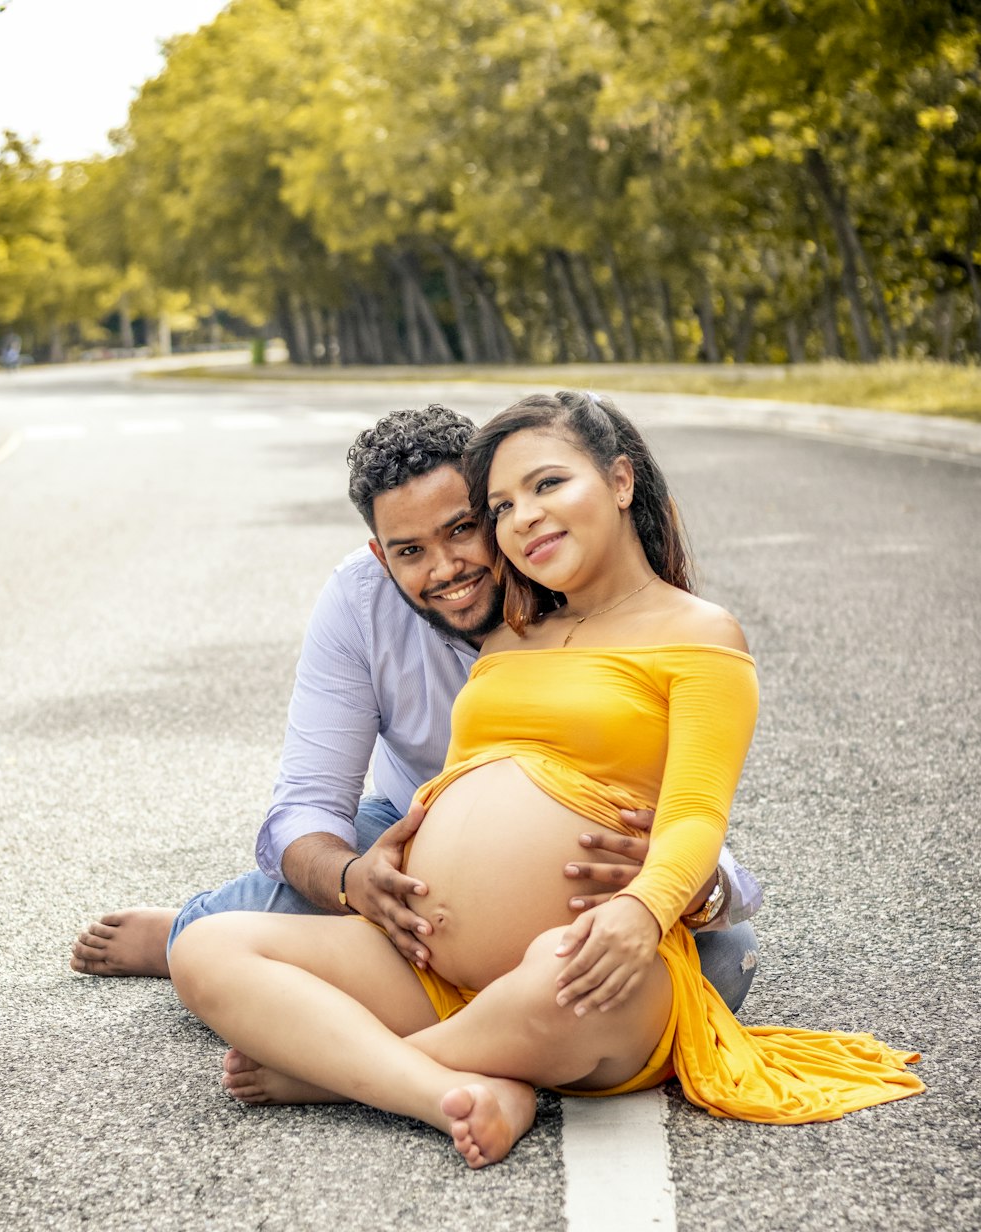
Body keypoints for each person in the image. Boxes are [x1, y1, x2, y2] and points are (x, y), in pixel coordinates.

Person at [168, 391, 923, 1168]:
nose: (521, 517)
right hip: (436, 960)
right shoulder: (510, 636)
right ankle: (452, 1087)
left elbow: (695, 813)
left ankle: (341, 1074)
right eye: (502, 505)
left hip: (586, 955)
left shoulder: (699, 632)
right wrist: (391, 862)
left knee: (572, 979)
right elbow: (458, 784)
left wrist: (642, 909)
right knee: (207, 949)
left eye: (545, 486)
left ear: (621, 482)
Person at [71, 406, 761, 1009]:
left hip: (596, 868)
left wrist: (695, 887)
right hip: (406, 839)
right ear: (380, 554)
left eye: (463, 529)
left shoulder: (580, 580)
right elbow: (306, 805)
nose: (445, 569)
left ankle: (385, 1010)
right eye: (409, 551)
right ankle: (186, 930)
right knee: (231, 927)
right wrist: (351, 882)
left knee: (723, 961)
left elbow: (688, 808)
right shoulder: (358, 601)